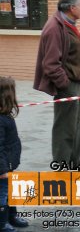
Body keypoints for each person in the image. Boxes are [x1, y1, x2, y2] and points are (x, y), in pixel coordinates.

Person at [34, 0, 80, 168]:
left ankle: (74, 163)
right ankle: (61, 167)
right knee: (65, 128)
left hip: (76, 83)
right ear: (72, 8)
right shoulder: (55, 28)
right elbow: (50, 64)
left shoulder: (68, 23)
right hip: (68, 84)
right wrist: (64, 84)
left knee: (77, 126)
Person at [0, 77, 28, 231]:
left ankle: (12, 216)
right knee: (3, 193)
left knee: (11, 190)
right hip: (2, 167)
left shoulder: (5, 116)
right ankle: (2, 223)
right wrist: (2, 169)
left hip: (8, 164)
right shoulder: (0, 120)